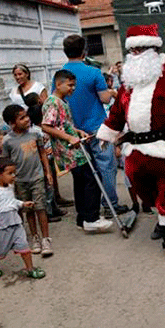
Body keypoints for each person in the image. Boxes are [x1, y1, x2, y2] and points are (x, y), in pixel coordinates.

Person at [97, 24, 165, 264]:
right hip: (137, 149)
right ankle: (163, 218)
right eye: (133, 49)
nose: (136, 53)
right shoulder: (130, 77)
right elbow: (117, 109)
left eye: (141, 48)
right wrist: (106, 133)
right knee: (144, 189)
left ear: (153, 48)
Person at [60, 35, 128, 216]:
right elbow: (104, 98)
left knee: (84, 170)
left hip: (74, 130)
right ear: (84, 51)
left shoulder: (60, 75)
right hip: (97, 127)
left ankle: (91, 208)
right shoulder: (93, 72)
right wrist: (113, 92)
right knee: (106, 166)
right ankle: (110, 204)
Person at [42, 69, 113, 233]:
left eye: (74, 85)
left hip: (73, 147)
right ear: (59, 84)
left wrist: (77, 132)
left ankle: (83, 217)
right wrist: (68, 138)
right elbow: (47, 126)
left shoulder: (62, 101)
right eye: (70, 85)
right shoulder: (53, 102)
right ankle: (91, 217)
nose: (73, 88)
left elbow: (62, 123)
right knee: (92, 179)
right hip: (69, 151)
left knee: (82, 182)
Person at [1, 104, 54, 257]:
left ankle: (45, 239)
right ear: (12, 123)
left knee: (40, 207)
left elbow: (42, 153)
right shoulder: (7, 141)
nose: (27, 119)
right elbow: (6, 162)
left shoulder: (35, 134)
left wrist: (47, 172)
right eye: (22, 118)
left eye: (26, 116)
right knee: (28, 209)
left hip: (37, 177)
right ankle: (35, 238)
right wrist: (9, 182)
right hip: (20, 181)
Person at [0, 157, 46, 279]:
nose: (13, 176)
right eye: (10, 173)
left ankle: (30, 269)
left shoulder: (10, 188)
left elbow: (11, 202)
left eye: (14, 173)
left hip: (15, 223)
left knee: (24, 247)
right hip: (1, 226)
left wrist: (22, 204)